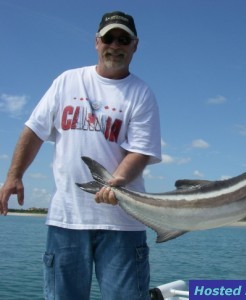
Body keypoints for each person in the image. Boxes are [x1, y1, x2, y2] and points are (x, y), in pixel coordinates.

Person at [0, 11, 161, 299]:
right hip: (66, 220)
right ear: (97, 42)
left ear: (135, 45)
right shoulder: (67, 81)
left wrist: (115, 183)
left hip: (123, 222)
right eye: (109, 38)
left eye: (123, 39)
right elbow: (34, 130)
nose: (116, 45)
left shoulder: (142, 93)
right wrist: (14, 176)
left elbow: (140, 152)